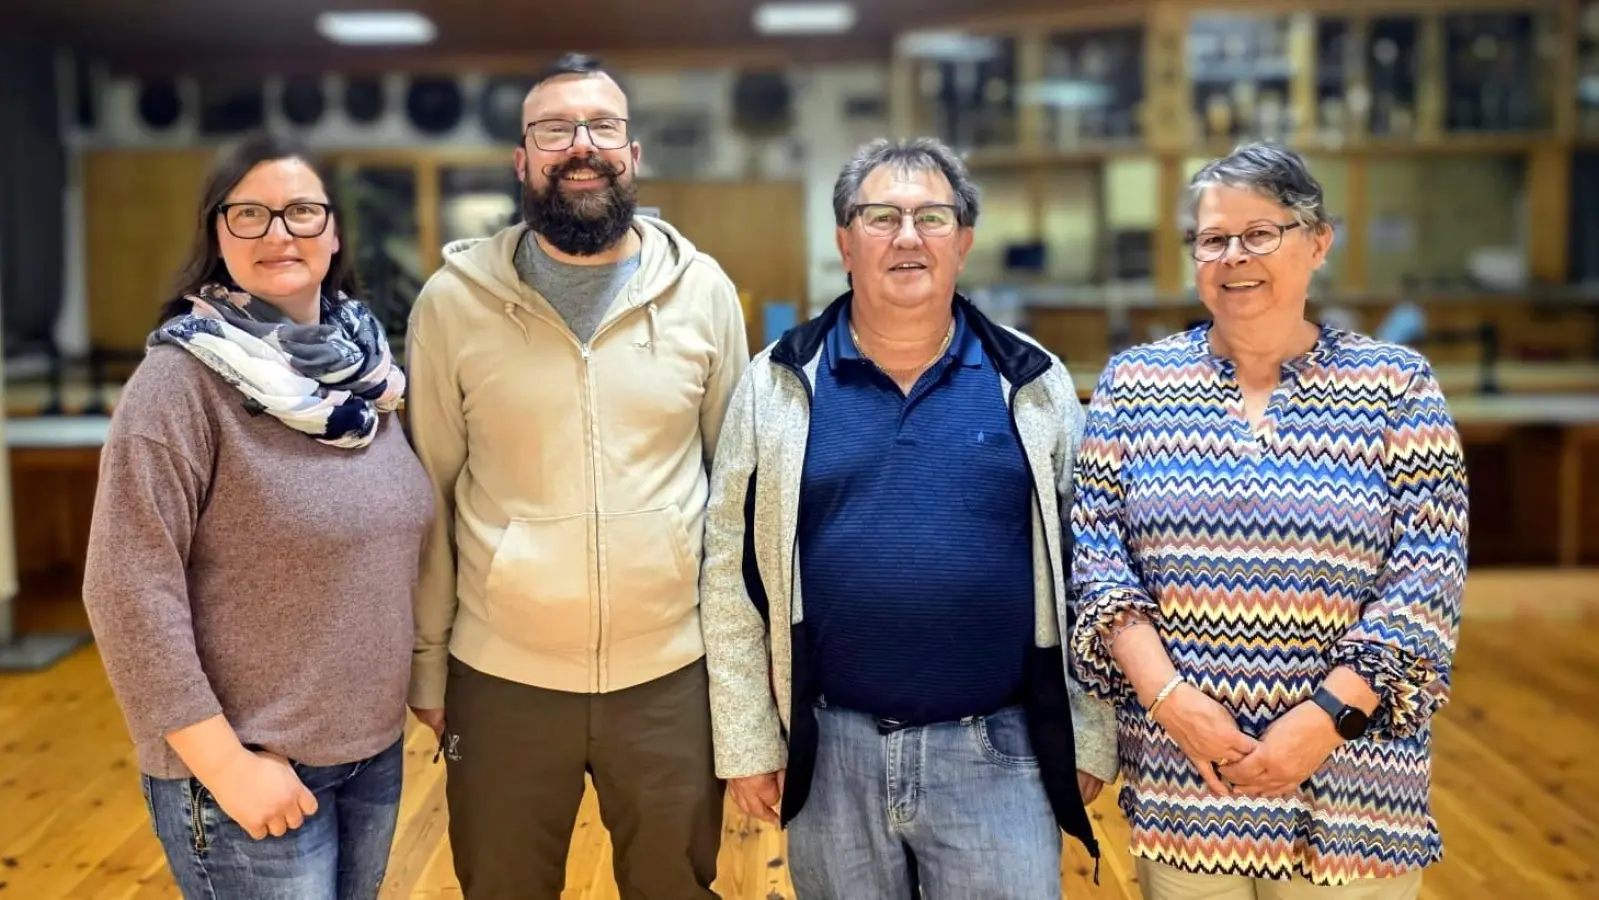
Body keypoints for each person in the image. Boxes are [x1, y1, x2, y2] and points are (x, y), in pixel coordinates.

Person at [699, 136, 1119, 900]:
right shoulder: (777, 385)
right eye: (880, 216)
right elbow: (729, 572)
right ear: (843, 240)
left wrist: (1090, 730)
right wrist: (748, 737)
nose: (905, 236)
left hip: (998, 751)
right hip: (830, 755)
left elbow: (1089, 576)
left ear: (962, 240)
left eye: (931, 217)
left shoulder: (1033, 383)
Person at [1069, 142, 1468, 900]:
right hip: (1188, 782)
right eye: (1212, 238)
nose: (1232, 256)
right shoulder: (1133, 385)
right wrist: (1170, 703)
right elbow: (1096, 565)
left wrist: (1319, 723)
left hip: (1352, 788)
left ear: (1317, 241)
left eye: (1260, 233)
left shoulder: (1396, 385)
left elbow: (1425, 582)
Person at [403, 52, 749, 899]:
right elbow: (430, 497)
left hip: (671, 675)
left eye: (601, 127)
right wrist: (428, 663)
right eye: (554, 130)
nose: (580, 145)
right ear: (522, 160)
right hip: (501, 678)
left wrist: (741, 674)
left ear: (633, 154)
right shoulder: (450, 305)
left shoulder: (703, 293)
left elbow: (739, 498)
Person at [80, 132, 433, 900]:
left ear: (333, 233)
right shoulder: (179, 383)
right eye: (250, 215)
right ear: (217, 235)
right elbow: (125, 588)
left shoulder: (369, 382)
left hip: (368, 751)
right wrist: (225, 765)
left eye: (301, 211)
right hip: (246, 766)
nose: (279, 232)